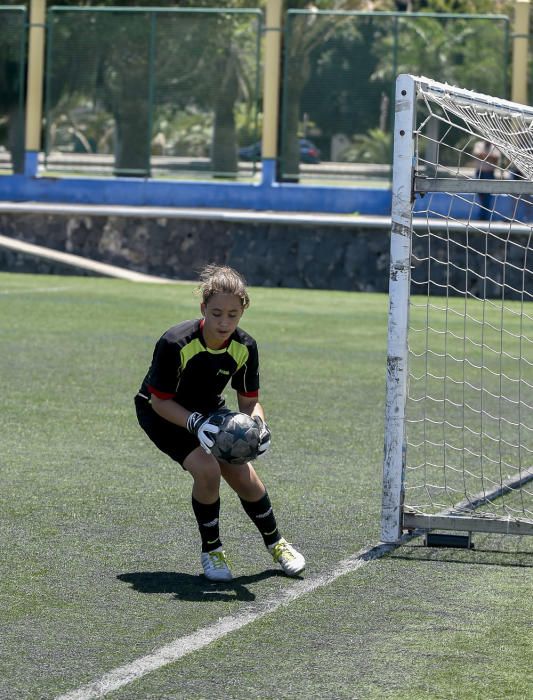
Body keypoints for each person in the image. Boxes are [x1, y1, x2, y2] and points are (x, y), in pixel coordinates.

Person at [134, 264, 305, 582]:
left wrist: (259, 426)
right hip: (163, 413)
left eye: (232, 314)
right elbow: (158, 400)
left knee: (244, 476)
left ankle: (277, 543)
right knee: (207, 469)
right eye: (216, 314)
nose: (224, 322)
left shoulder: (246, 347)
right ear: (203, 309)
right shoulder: (176, 343)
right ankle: (212, 550)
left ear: (242, 311)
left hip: (209, 410)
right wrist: (196, 424)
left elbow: (249, 400)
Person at [472, 139, 501, 220]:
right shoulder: (478, 144)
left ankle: (483, 218)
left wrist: (484, 156)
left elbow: (496, 158)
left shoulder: (495, 146)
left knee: (488, 196)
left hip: (490, 174)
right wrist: (489, 157)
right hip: (480, 173)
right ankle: (483, 217)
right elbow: (478, 155)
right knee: (481, 195)